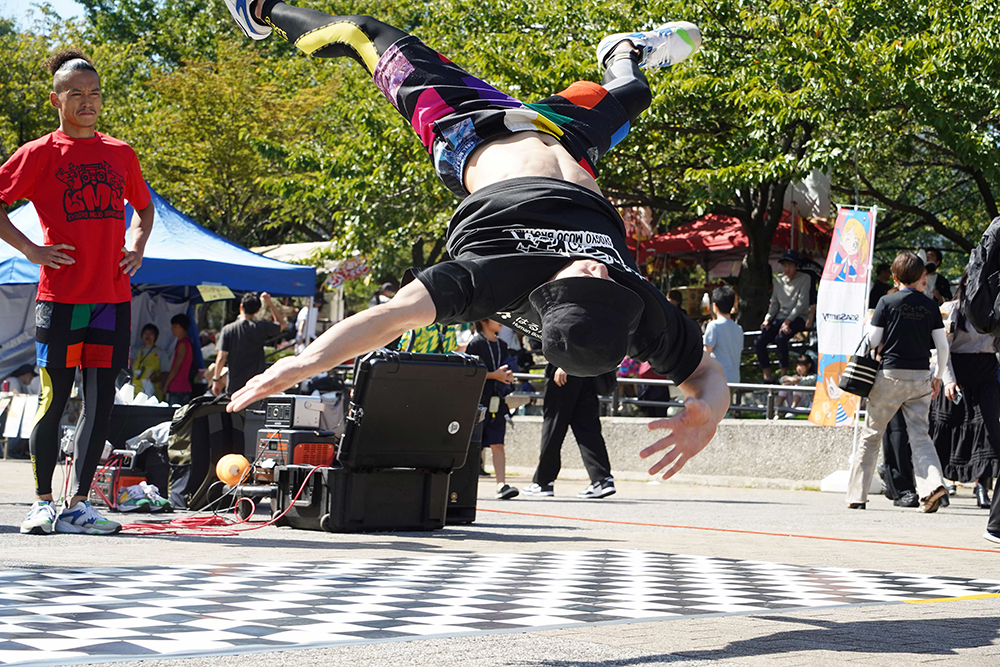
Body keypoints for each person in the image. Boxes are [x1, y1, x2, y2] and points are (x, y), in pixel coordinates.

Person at [222, 2, 730, 481]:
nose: (599, 269)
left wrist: (306, 361)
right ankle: (625, 51)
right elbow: (706, 375)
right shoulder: (634, 308)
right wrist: (708, 411)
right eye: (608, 280)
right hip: (570, 136)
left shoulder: (493, 280)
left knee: (362, 32)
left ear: (554, 298)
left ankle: (260, 9)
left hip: (469, 124)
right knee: (634, 92)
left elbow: (390, 317)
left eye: (587, 279)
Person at [0, 50, 154, 535]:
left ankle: (80, 504)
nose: (87, 102)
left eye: (93, 93)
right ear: (57, 100)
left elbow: (145, 210)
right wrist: (30, 249)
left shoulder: (120, 152)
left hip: (112, 298)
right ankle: (43, 502)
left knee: (99, 402)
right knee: (54, 399)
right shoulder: (38, 153)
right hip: (60, 297)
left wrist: (136, 244)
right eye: (75, 94)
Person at [847, 252, 950, 512]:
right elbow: (941, 346)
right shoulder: (929, 305)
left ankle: (857, 496)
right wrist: (937, 377)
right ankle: (933, 486)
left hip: (890, 376)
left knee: (871, 436)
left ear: (894, 277)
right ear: (920, 277)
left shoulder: (886, 301)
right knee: (921, 437)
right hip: (920, 379)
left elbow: (871, 340)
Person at [929, 270, 1000, 514]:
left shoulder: (995, 308)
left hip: (987, 369)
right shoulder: (952, 308)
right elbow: (942, 349)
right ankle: (944, 484)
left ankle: (982, 485)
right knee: (948, 427)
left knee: (988, 426)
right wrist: (947, 380)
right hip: (958, 369)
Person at [523, 363, 616, 499]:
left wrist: (563, 364)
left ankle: (544, 482)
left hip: (566, 369)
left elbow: (570, 340)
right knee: (588, 429)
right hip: (588, 371)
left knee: (553, 427)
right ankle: (602, 479)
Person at [465, 319, 518, 499]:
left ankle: (501, 485)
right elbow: (471, 372)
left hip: (498, 400)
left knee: (498, 443)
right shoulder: (476, 343)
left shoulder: (502, 345)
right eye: (497, 318)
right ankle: (466, 485)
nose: (501, 322)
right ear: (484, 321)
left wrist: (507, 376)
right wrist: (494, 375)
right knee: (473, 445)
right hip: (479, 400)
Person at [212, 292, 287, 397]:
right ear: (257, 311)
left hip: (235, 384)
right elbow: (282, 324)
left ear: (241, 307)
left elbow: (221, 357)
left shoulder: (228, 329)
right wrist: (269, 303)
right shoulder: (261, 327)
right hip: (256, 383)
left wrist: (216, 379)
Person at [756, 250, 810, 382]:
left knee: (781, 339)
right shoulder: (778, 280)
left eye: (789, 265)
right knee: (759, 342)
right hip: (781, 317)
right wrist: (767, 319)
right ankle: (767, 375)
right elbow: (774, 303)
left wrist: (788, 321)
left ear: (796, 265)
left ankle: (783, 375)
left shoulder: (805, 279)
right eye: (784, 265)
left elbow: (801, 304)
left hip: (798, 317)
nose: (786, 268)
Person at [703, 286, 743, 385]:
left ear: (714, 306)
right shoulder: (738, 328)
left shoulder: (713, 326)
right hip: (735, 378)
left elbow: (705, 354)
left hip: (718, 378)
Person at [163, 313, 194, 405]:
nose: (172, 329)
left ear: (179, 327)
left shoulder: (182, 344)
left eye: (173, 327)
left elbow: (177, 366)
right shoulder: (188, 343)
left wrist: (166, 384)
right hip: (185, 386)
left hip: (177, 387)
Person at [131, 323, 163, 399]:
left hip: (152, 392)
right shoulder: (135, 351)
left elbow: (166, 373)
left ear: (155, 337)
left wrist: (155, 379)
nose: (147, 336)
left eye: (151, 334)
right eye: (145, 333)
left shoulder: (161, 353)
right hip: (135, 390)